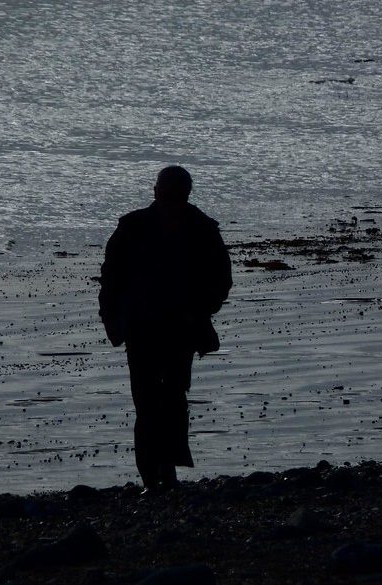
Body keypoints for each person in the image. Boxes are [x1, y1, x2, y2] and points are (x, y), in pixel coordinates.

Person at [98, 165, 232, 492]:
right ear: (156, 191)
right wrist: (112, 321)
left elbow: (221, 280)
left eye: (175, 194)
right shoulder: (132, 228)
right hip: (142, 329)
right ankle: (153, 478)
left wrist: (198, 313)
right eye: (167, 192)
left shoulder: (201, 229)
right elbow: (111, 280)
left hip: (179, 331)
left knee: (169, 401)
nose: (169, 199)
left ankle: (165, 474)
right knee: (149, 404)